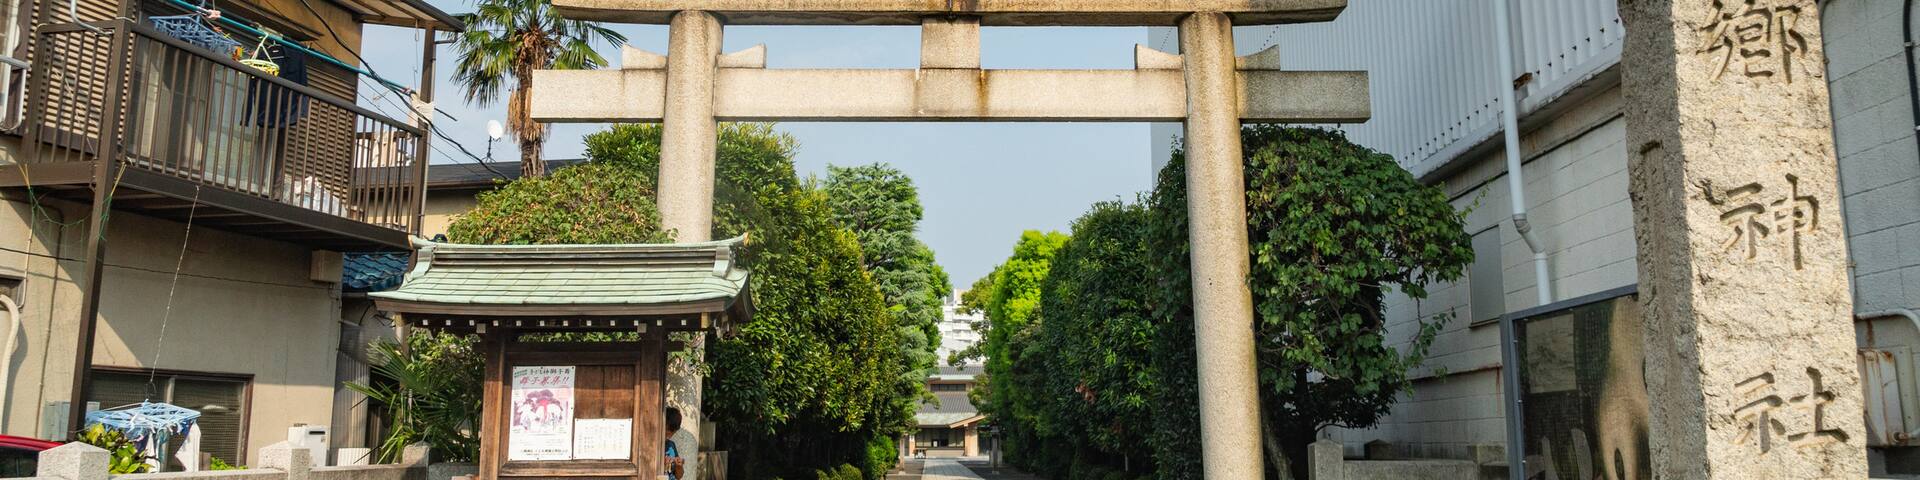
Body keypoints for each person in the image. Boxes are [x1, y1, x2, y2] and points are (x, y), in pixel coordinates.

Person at [665, 408, 685, 480]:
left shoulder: (671, 445)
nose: (668, 436)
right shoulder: (651, 445)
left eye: (672, 433)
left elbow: (679, 476)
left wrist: (679, 466)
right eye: (667, 430)